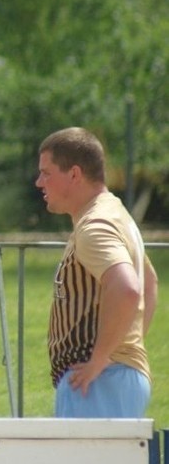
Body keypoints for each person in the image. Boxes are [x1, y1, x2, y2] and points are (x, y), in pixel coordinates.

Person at [35, 126, 158, 418]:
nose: (39, 182)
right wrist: (125, 346)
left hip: (97, 383)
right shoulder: (116, 213)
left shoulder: (94, 226)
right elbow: (149, 284)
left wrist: (102, 358)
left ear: (74, 174)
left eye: (47, 173)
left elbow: (129, 289)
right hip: (115, 377)